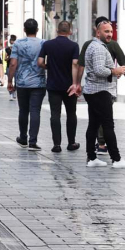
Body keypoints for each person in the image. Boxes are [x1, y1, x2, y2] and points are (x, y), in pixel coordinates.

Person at [79, 19, 125, 168]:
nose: (110, 34)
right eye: (106, 31)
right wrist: (115, 71)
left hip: (95, 90)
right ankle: (116, 159)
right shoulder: (98, 48)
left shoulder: (97, 46)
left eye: (111, 31)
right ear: (98, 32)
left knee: (94, 125)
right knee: (108, 125)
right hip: (100, 91)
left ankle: (91, 157)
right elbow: (99, 70)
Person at [37, 20, 80, 154]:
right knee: (71, 113)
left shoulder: (48, 44)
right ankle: (71, 142)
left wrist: (47, 67)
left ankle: (56, 144)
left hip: (53, 85)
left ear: (57, 30)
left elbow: (40, 62)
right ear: (70, 31)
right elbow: (75, 64)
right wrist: (75, 83)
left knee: (55, 114)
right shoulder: (74, 46)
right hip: (69, 86)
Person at [7, 19, 46, 150]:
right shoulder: (43, 43)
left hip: (22, 83)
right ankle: (33, 141)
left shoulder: (18, 43)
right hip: (39, 82)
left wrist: (10, 81)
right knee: (35, 111)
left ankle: (23, 138)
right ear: (37, 30)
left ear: (24, 30)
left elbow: (13, 63)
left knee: (23, 111)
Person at [5, 34, 17, 100]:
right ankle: (11, 94)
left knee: (16, 81)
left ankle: (14, 91)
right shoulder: (7, 49)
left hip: (16, 67)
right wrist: (10, 57)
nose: (13, 43)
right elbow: (5, 58)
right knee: (10, 81)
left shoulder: (18, 48)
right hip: (8, 66)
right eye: (12, 41)